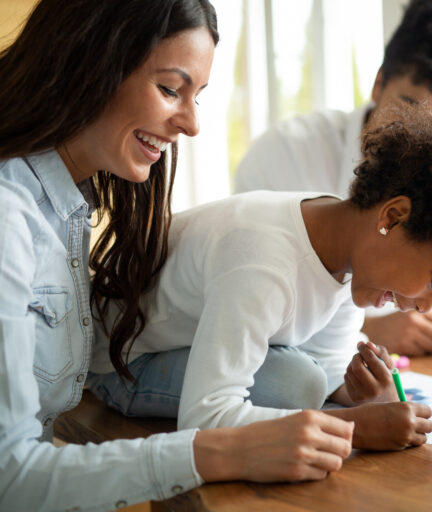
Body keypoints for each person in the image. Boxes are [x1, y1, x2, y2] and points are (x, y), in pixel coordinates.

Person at [0, 2, 356, 510]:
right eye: (170, 89)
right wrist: (216, 451)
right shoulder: (9, 218)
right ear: (91, 62)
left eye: (197, 96)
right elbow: (9, 478)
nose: (191, 124)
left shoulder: (68, 208)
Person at [88, 105, 432, 453]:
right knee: (296, 383)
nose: (426, 306)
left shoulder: (349, 249)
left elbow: (329, 369)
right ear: (393, 216)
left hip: (181, 348)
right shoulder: (263, 260)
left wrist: (361, 394)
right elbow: (204, 417)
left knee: (310, 379)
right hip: (121, 364)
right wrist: (356, 430)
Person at [234, 0, 432, 357]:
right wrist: (367, 327)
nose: (424, 134)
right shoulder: (287, 153)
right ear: (378, 82)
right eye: (409, 108)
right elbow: (245, 288)